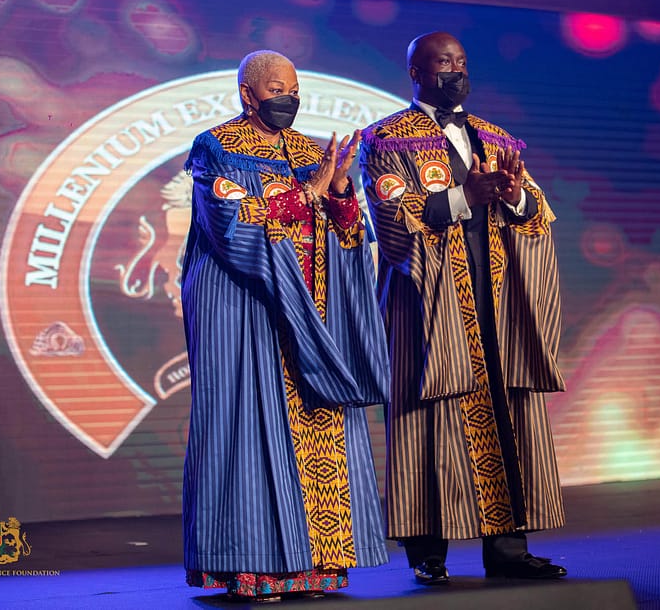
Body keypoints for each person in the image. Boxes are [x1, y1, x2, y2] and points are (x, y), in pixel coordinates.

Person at [181, 50, 390, 602]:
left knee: (320, 430)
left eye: (294, 90)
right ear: (247, 94)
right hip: (245, 308)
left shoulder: (312, 153)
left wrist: (340, 192)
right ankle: (253, 568)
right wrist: (310, 194)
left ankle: (316, 567)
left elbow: (349, 234)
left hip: (311, 312)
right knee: (246, 428)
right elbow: (230, 224)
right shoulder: (216, 147)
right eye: (276, 89)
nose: (288, 99)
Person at [358, 31, 567, 585]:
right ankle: (428, 553)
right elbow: (392, 218)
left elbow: (536, 211)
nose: (454, 71)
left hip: (495, 300)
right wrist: (464, 196)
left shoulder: (496, 138)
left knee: (506, 413)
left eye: (461, 61)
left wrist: (514, 195)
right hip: (429, 302)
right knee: (428, 422)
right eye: (442, 62)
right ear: (416, 72)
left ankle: (509, 551)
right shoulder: (385, 140)